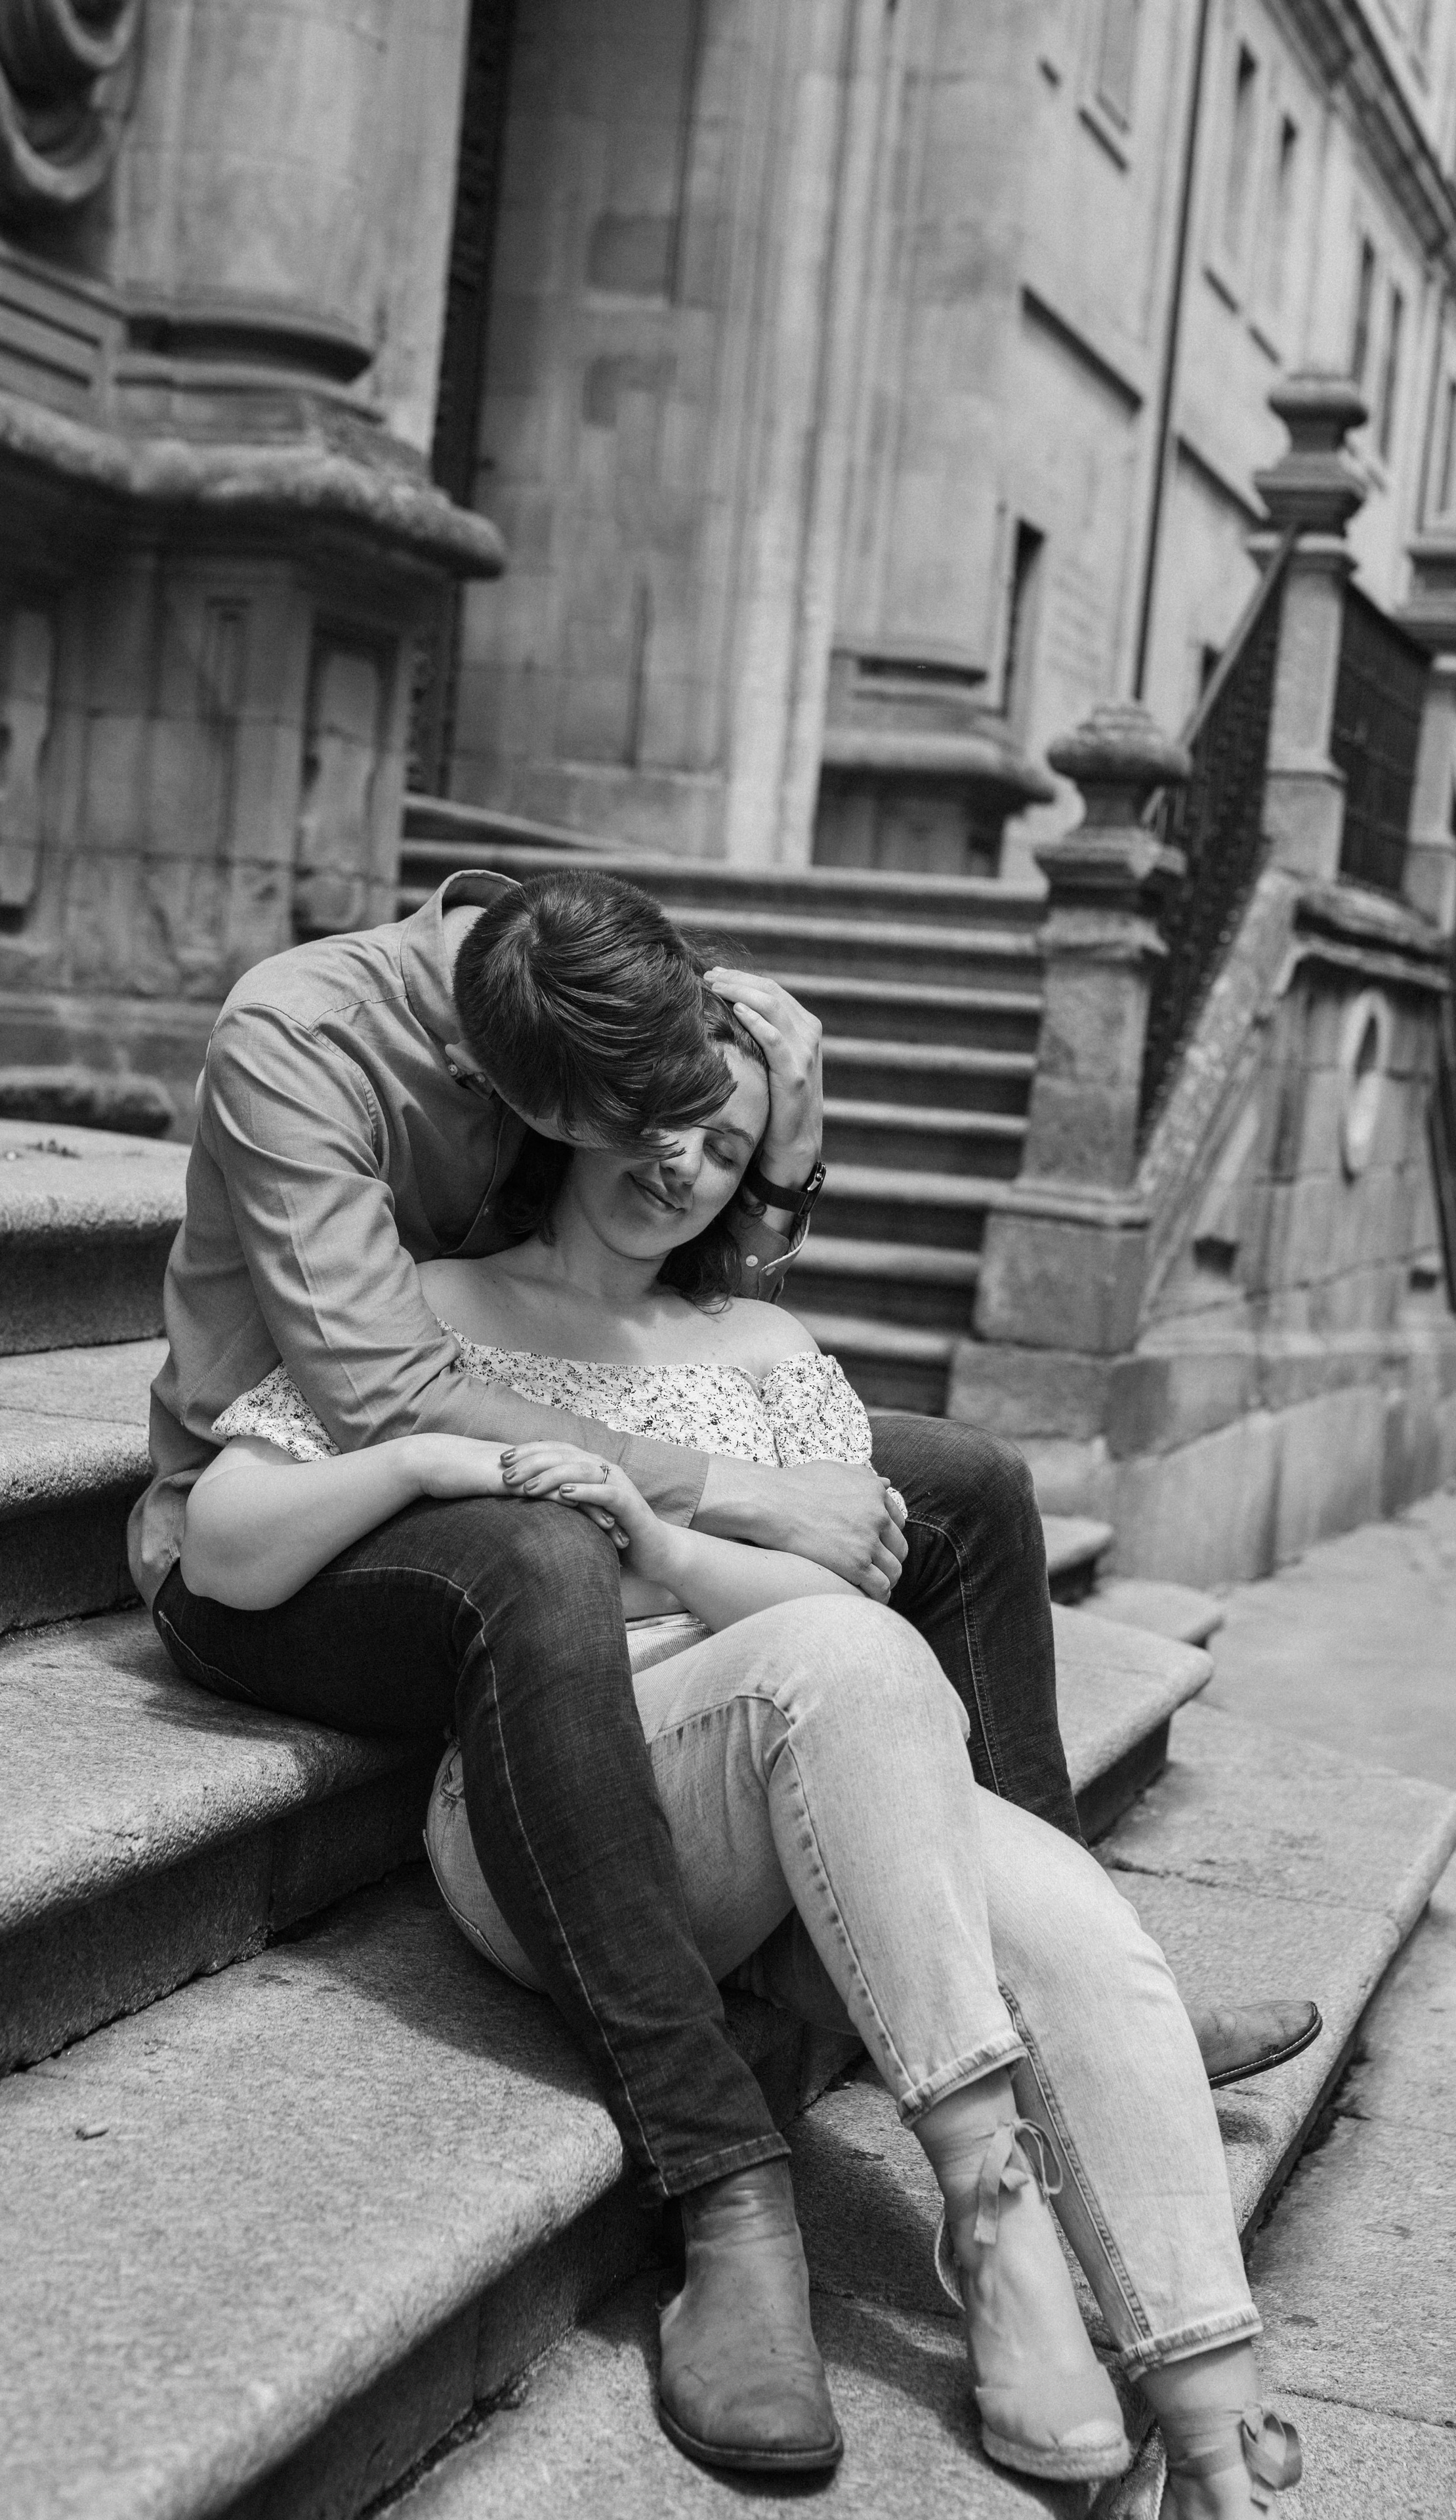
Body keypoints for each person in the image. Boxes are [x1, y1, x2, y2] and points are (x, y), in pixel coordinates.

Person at [132, 865, 1318, 2473]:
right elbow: (380, 1393)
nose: (679, 1162)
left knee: (957, 1493)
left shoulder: (607, 1019)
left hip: (651, 1562)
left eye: (708, 1127)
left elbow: (690, 1280)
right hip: (333, 1513)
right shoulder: (309, 1040)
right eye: (642, 1130)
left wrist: (790, 1148)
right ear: (535, 1107)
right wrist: (702, 1497)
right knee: (574, 1565)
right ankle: (725, 2182)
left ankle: (1138, 2220)